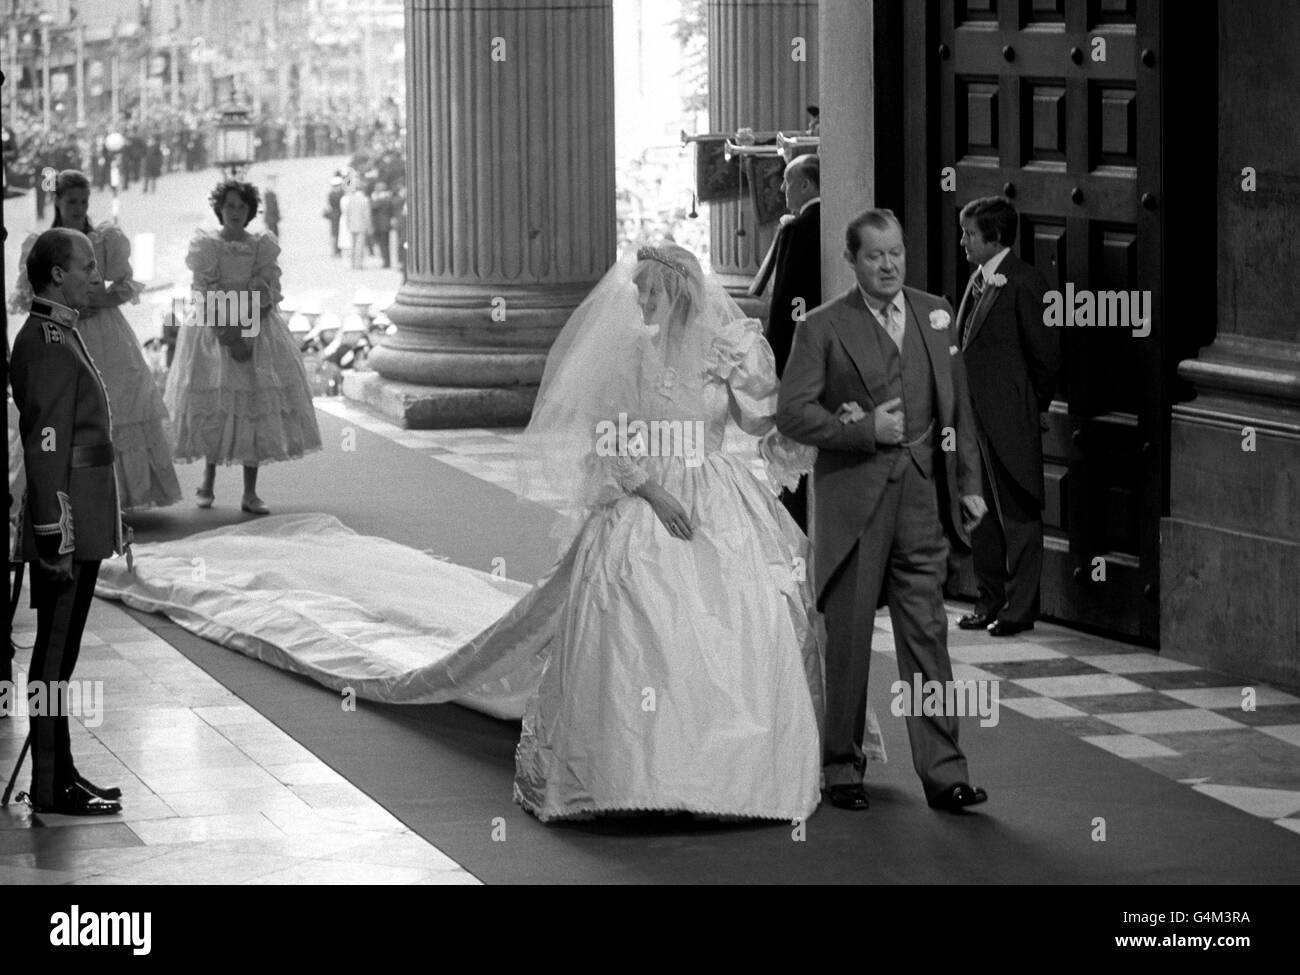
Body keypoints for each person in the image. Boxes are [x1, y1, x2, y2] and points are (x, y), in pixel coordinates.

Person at [100, 244, 886, 824]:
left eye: (650, 294)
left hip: (716, 498)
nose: (641, 307)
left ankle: (736, 772)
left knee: (738, 623)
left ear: (678, 293)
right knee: (635, 617)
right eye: (638, 295)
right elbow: (604, 440)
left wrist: (818, 425)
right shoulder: (632, 356)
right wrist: (648, 490)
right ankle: (631, 775)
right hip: (646, 501)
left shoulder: (728, 351)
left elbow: (767, 420)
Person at [777, 208, 989, 813]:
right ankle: (841, 768)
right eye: (876, 256)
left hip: (922, 502)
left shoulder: (935, 311)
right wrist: (865, 429)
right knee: (846, 642)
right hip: (855, 507)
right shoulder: (821, 327)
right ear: (852, 260)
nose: (890, 265)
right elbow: (793, 413)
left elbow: (960, 407)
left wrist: (968, 483)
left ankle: (945, 773)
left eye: (896, 253)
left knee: (928, 636)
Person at [10, 228, 128, 815]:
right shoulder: (50, 340)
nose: (95, 276)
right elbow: (47, 447)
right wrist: (55, 535)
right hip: (68, 523)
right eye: (85, 266)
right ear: (57, 273)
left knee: (63, 655)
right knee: (55, 657)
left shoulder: (57, 332)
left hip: (82, 512)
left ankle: (62, 771)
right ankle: (52, 782)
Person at [10, 170, 182, 511]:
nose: (77, 207)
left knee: (114, 402)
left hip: (103, 332)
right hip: (60, 330)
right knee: (61, 406)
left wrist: (94, 301)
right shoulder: (43, 245)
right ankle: (58, 494)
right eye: (71, 201)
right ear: (57, 201)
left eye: (83, 201)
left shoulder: (103, 240)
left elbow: (123, 286)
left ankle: (117, 495)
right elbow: (28, 294)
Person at [165, 178, 322, 513]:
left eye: (241, 206)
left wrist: (247, 335)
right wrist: (228, 335)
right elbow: (203, 293)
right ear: (219, 209)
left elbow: (268, 293)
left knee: (252, 405)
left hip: (255, 326)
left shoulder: (261, 244)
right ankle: (207, 480)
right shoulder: (207, 245)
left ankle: (250, 492)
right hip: (215, 327)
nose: (235, 212)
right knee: (216, 403)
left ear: (250, 210)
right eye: (229, 206)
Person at [955, 196, 1061, 636]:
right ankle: (989, 600)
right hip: (972, 421)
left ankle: (1019, 610)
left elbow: (1046, 356)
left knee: (1017, 515)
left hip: (1009, 418)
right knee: (980, 513)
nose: (963, 241)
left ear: (993, 237)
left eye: (969, 234)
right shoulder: (977, 280)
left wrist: (1030, 407)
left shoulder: (1025, 282)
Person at [751, 152, 821, 530]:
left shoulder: (799, 228)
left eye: (787, 182)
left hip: (800, 359)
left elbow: (789, 305)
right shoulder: (839, 219)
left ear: (806, 185)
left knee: (795, 454)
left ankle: (796, 530)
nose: (781, 189)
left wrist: (776, 363)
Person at [340, 181, 373, 269]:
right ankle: (359, 264)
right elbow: (367, 214)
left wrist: (348, 224)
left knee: (353, 245)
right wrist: (369, 225)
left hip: (352, 225)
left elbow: (348, 213)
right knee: (360, 246)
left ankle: (353, 263)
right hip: (361, 225)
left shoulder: (351, 199)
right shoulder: (365, 200)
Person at [369, 182, 394, 268]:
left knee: (383, 244)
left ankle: (386, 262)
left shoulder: (381, 199)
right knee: (385, 244)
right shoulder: (388, 198)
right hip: (385, 224)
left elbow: (373, 207)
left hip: (380, 224)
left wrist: (374, 198)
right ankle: (387, 261)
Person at [324, 175, 344, 257]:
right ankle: (338, 250)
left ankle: (334, 251)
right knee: (339, 233)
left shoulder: (331, 194)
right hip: (340, 214)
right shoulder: (341, 194)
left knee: (334, 233)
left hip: (334, 215)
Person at [262, 173, 281, 239]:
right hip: (271, 219)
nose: (275, 183)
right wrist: (276, 216)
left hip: (273, 219)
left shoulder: (272, 194)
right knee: (273, 236)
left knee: (275, 235)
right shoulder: (269, 195)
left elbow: (275, 207)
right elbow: (271, 208)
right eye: (273, 182)